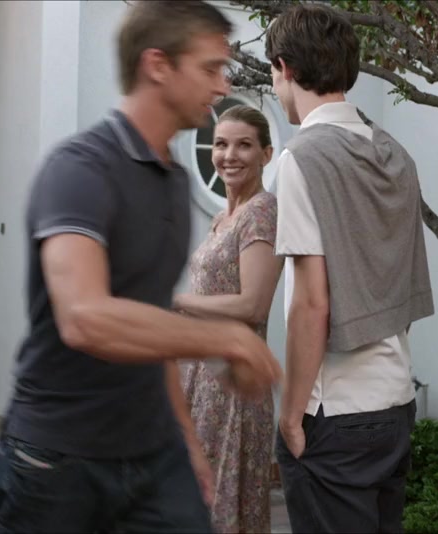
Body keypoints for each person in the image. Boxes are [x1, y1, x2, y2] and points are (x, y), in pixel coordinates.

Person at [0, 2, 282, 533]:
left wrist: (186, 439)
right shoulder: (80, 169)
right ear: (158, 65)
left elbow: (153, 324)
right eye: (210, 68)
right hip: (58, 461)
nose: (223, 86)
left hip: (152, 453)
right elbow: (85, 317)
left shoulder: (171, 181)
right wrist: (227, 338)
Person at [265, 4, 435, 533]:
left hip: (334, 413)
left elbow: (311, 302)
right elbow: (397, 278)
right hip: (394, 400)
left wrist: (290, 415)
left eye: (273, 72)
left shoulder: (302, 158)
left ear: (285, 67)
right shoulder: (394, 154)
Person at [172, 104, 282, 534]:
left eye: (244, 145)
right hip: (200, 376)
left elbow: (254, 305)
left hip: (233, 384)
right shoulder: (223, 218)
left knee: (222, 507)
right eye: (220, 144)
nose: (229, 155)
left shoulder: (261, 212)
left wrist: (179, 303)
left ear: (266, 154)